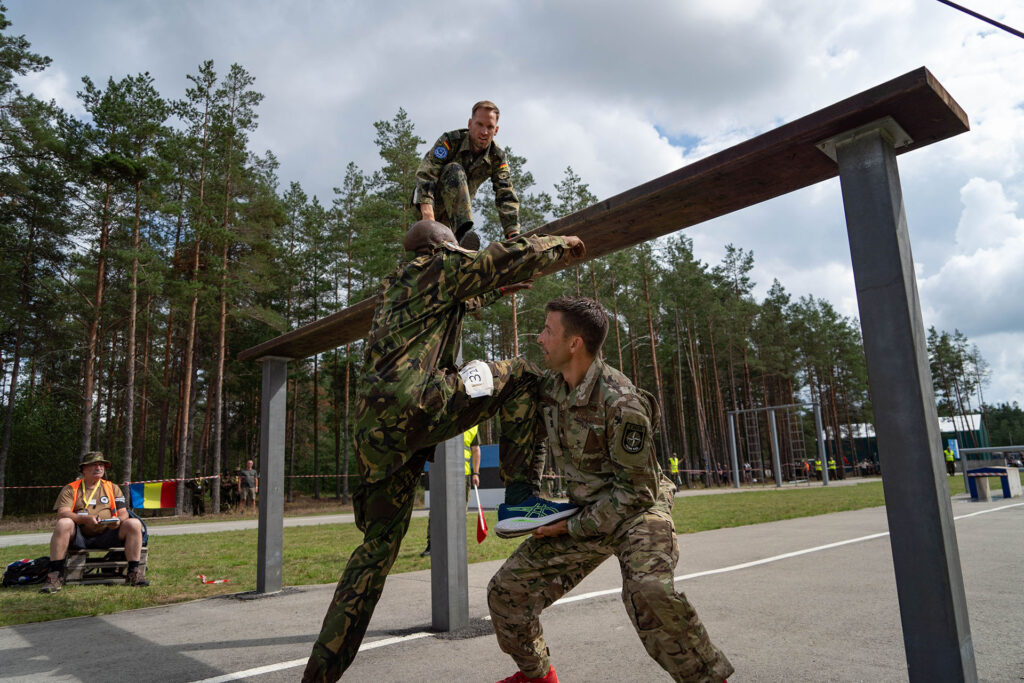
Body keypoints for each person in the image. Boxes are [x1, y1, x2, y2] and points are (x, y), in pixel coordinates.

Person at [302, 220, 586, 682]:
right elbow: (502, 256)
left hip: (375, 430)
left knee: (375, 552)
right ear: (442, 249)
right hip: (416, 403)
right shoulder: (439, 263)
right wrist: (562, 245)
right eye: (456, 250)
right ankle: (520, 497)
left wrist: (491, 291)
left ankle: (318, 676)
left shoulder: (396, 286)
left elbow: (457, 297)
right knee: (523, 376)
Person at [488, 297, 733, 683]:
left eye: (548, 331)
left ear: (574, 343)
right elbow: (514, 389)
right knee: (506, 592)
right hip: (585, 508)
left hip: (637, 511)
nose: (539, 338)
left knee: (649, 591)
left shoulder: (621, 402)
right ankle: (537, 678)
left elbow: (635, 493)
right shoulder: (550, 388)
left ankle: (706, 678)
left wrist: (567, 527)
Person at [412, 100, 520, 245]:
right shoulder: (450, 142)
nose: (484, 132)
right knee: (454, 169)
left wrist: (512, 233)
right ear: (470, 124)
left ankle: (462, 239)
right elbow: (426, 175)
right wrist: (428, 218)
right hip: (429, 208)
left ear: (496, 130)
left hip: (453, 219)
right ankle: (464, 235)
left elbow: (505, 194)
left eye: (490, 127)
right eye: (479, 125)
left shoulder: (497, 157)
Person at [40, 451, 149, 593]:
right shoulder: (71, 488)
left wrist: (116, 521)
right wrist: (84, 519)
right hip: (80, 534)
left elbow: (123, 513)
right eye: (94, 465)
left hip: (108, 532)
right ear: (83, 469)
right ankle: (55, 575)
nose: (99, 468)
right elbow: (63, 512)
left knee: (134, 523)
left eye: (101, 465)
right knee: (63, 523)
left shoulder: (112, 487)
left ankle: (133, 572)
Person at [421, 423, 482, 557]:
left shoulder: (472, 424)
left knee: (460, 513)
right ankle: (432, 545)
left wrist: (476, 473)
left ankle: (458, 545)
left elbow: (476, 449)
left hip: (463, 475)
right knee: (437, 510)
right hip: (443, 474)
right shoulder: (445, 417)